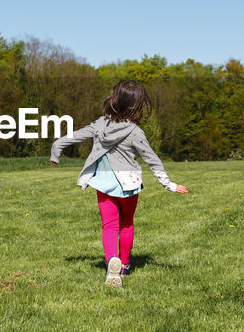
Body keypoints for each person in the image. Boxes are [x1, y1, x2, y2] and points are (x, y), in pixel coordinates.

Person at [49, 79, 188, 287]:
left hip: (104, 183)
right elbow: (152, 159)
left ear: (114, 101)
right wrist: (168, 184)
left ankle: (110, 262)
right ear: (137, 107)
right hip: (129, 184)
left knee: (109, 226)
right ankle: (123, 265)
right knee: (126, 223)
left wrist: (56, 148)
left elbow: (75, 136)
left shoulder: (99, 125)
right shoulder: (135, 132)